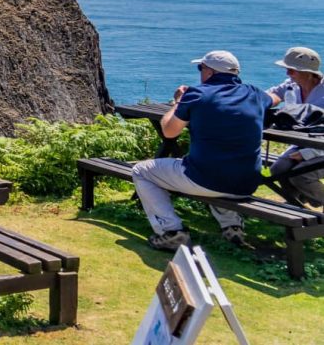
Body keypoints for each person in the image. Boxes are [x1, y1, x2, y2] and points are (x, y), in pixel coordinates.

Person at [132, 50, 273, 250]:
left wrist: (180, 100)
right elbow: (274, 98)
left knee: (141, 170)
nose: (200, 72)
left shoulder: (197, 94)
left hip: (206, 179)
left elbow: (169, 132)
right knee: (219, 166)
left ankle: (171, 231)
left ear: (209, 72)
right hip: (247, 182)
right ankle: (231, 225)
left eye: (201, 67)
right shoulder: (256, 94)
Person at [264, 47, 324, 207]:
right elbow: (272, 95)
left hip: (319, 146)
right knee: (279, 170)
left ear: (308, 72)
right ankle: (296, 203)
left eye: (291, 70)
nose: (287, 74)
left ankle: (309, 202)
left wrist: (308, 153)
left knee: (302, 175)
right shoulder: (291, 85)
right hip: (304, 142)